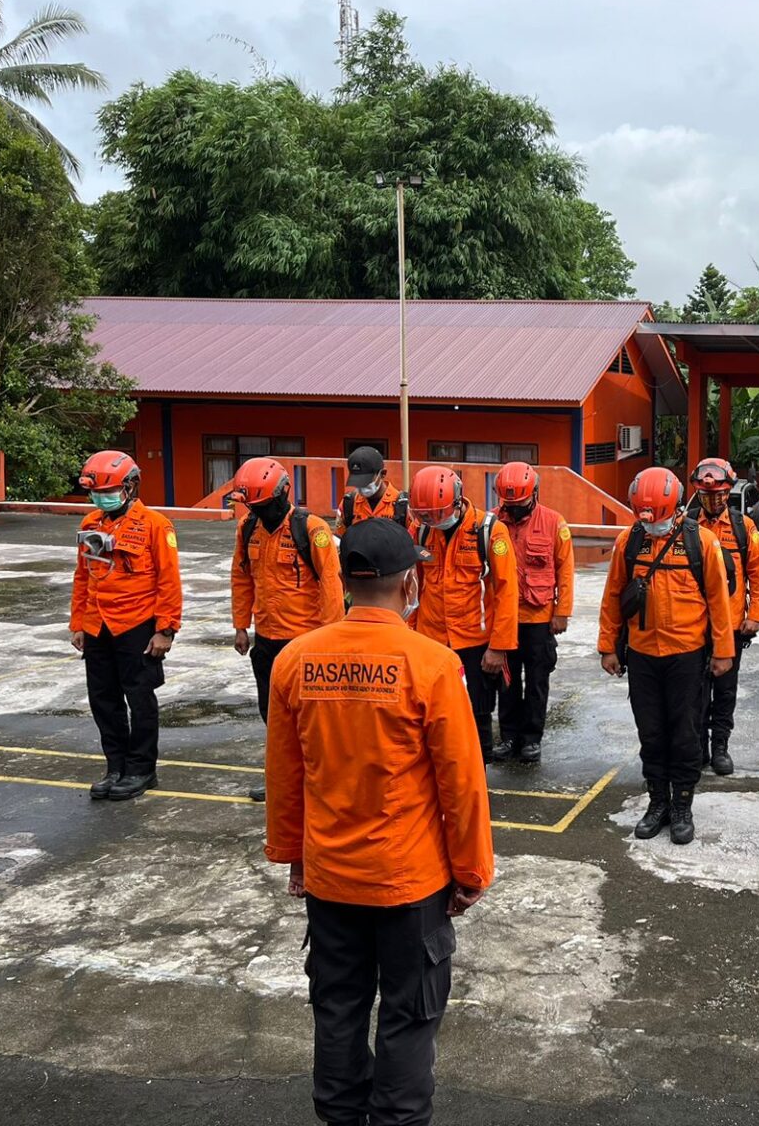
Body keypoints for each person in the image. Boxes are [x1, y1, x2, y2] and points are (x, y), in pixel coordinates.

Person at [264, 517, 494, 1126]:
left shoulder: (295, 660)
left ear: (344, 580)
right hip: (408, 882)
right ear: (409, 580)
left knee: (337, 1006)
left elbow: (285, 778)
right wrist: (471, 871)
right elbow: (462, 784)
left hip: (331, 877)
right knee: (409, 1013)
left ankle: (340, 1117)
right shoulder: (434, 664)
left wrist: (295, 858)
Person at [599, 467, 734, 845]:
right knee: (651, 732)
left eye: (656, 516)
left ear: (675, 507)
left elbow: (718, 602)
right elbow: (613, 596)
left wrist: (723, 652)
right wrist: (608, 646)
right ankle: (657, 801)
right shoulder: (629, 540)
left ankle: (682, 806)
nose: (650, 524)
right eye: (643, 515)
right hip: (642, 655)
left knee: (686, 734)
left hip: (687, 657)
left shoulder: (701, 542)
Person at [228, 457, 344, 802]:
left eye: (263, 504)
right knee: (275, 717)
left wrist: (331, 636)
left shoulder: (311, 530)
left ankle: (321, 780)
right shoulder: (248, 529)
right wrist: (240, 625)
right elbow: (241, 577)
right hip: (266, 640)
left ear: (282, 495)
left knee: (315, 719)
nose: (258, 511)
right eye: (253, 505)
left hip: (307, 642)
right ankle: (284, 779)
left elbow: (331, 584)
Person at [69, 450, 183, 802]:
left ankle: (141, 768)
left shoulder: (155, 525)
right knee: (103, 700)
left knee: (140, 699)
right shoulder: (91, 524)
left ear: (131, 486)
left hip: (136, 625)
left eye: (110, 490)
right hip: (97, 625)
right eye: (97, 493)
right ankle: (115, 766)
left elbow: (169, 580)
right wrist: (77, 623)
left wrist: (166, 629)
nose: (102, 498)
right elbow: (81, 576)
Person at [409, 464, 519, 757]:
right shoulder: (420, 531)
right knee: (430, 716)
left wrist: (499, 647)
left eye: (437, 514)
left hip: (476, 643)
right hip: (431, 643)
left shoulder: (490, 531)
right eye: (425, 515)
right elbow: (412, 587)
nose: (432, 520)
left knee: (477, 715)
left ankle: (477, 782)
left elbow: (507, 591)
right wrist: (408, 637)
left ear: (457, 502)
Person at [688, 458, 759, 776]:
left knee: (724, 691)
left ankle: (720, 746)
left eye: (720, 493)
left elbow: (758, 576)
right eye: (707, 495)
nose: (714, 500)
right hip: (693, 626)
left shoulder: (743, 527)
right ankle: (699, 748)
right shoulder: (687, 525)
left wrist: (755, 616)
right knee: (694, 692)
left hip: (732, 626)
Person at [493, 462, 575, 764]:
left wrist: (562, 611)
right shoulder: (493, 523)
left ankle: (531, 739)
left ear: (534, 494)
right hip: (505, 619)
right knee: (507, 681)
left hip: (539, 618)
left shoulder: (554, 522)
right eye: (509, 504)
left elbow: (565, 569)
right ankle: (510, 736)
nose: (513, 509)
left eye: (520, 503)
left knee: (538, 681)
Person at [334, 445, 408, 536]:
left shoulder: (402, 506)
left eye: (366, 480)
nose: (361, 485)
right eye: (357, 481)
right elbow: (339, 538)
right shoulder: (348, 504)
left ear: (382, 474)